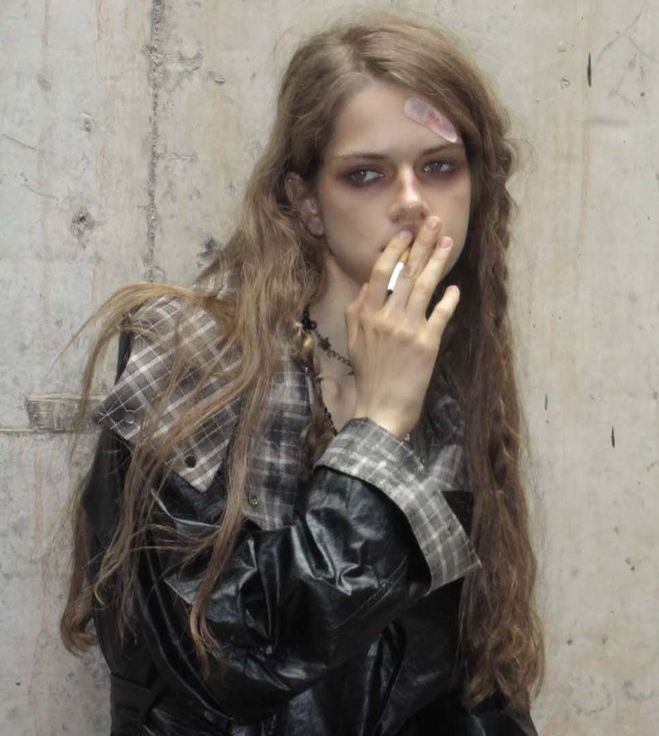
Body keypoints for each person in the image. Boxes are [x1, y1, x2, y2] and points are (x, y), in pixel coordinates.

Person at [60, 10, 544, 735]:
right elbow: (221, 660)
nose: (412, 201)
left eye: (440, 166)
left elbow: (468, 683)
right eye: (366, 174)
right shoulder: (191, 356)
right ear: (306, 201)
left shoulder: (452, 379)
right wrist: (378, 427)